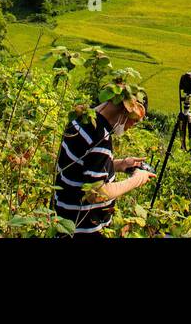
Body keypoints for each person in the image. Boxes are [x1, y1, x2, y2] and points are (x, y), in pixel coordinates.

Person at [53, 93, 154, 237]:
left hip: (64, 219)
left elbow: (80, 165)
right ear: (126, 111)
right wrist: (136, 180)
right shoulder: (100, 137)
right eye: (135, 121)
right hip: (82, 228)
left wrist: (121, 164)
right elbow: (96, 194)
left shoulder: (82, 118)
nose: (132, 126)